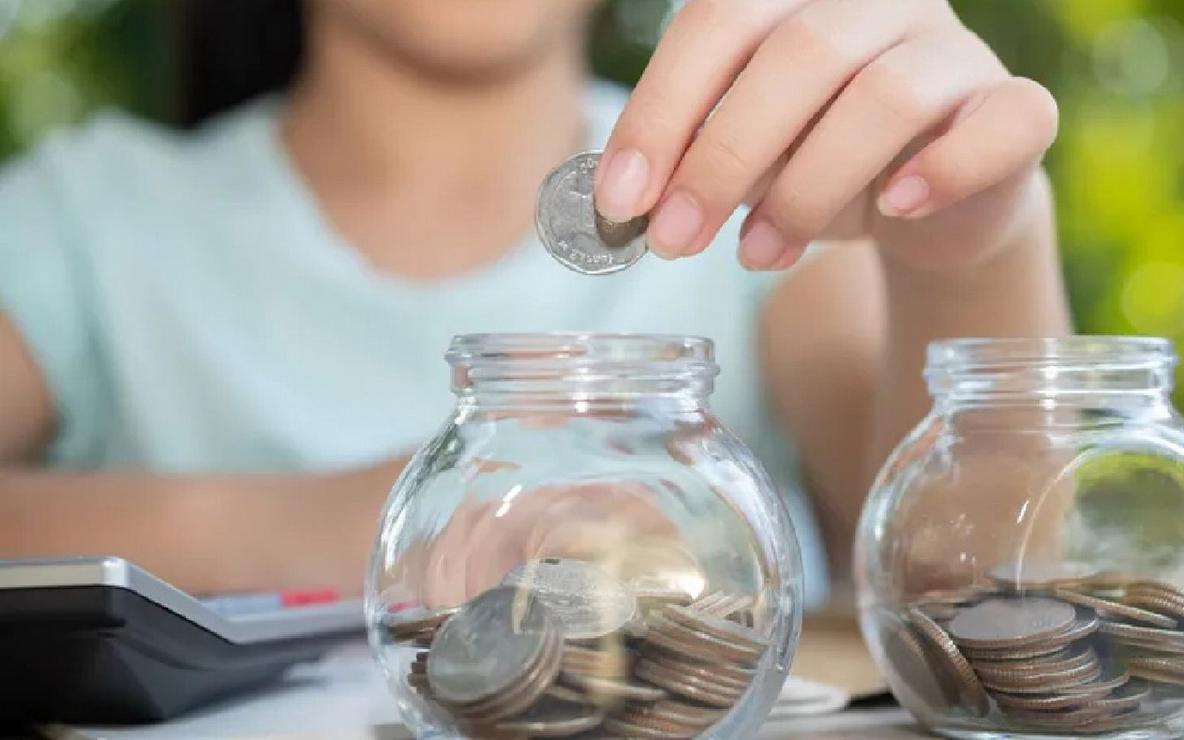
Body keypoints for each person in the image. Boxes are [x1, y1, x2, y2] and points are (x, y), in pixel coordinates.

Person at [0, 0, 1068, 603]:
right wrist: (444, 521)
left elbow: (981, 578)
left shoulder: (787, 204)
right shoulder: (83, 216)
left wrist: (974, 247)